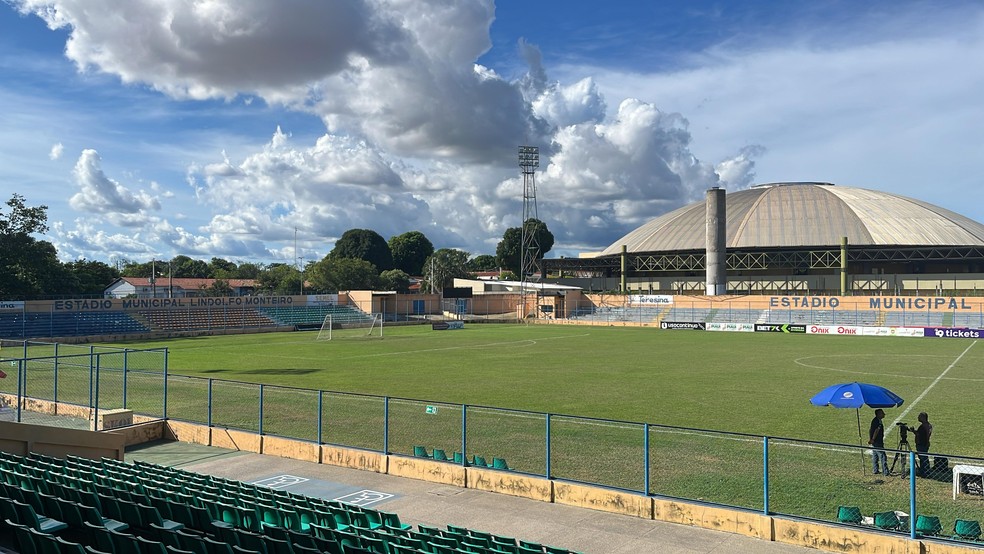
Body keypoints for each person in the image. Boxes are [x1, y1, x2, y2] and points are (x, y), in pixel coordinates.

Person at [867, 408, 887, 474]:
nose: (884, 414)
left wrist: (871, 438)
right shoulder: (878, 421)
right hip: (877, 441)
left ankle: (875, 470)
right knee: (882, 456)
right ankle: (885, 472)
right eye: (882, 413)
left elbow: (870, 430)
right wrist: (872, 439)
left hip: (875, 441)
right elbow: (876, 430)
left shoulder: (875, 420)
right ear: (878, 414)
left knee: (875, 455)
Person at [914, 412, 933, 476]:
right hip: (924, 444)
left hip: (921, 444)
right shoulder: (928, 425)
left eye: (919, 416)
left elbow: (919, 435)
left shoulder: (923, 426)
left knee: (923, 459)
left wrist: (913, 431)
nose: (918, 417)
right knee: (923, 458)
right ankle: (924, 471)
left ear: (923, 417)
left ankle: (925, 472)